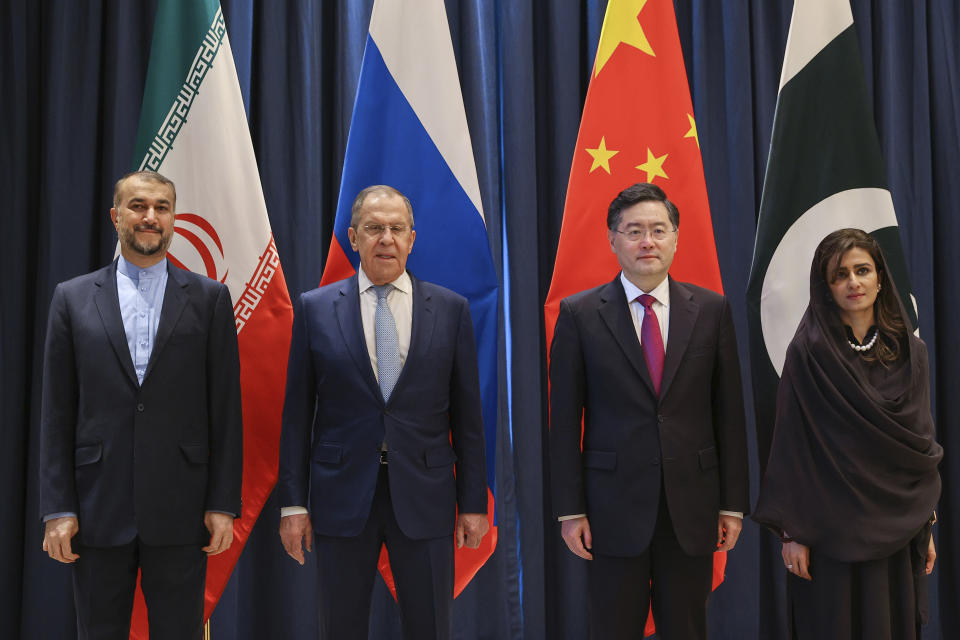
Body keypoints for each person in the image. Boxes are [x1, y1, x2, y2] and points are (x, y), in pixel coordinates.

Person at [277, 185, 489, 640]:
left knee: (429, 626)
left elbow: (468, 418)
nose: (386, 239)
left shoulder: (450, 310)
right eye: (374, 228)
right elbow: (296, 415)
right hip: (341, 494)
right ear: (353, 237)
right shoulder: (316, 309)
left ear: (413, 238)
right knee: (341, 626)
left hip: (426, 492)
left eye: (396, 229)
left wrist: (472, 502)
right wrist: (294, 504)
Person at [39, 170, 243, 640]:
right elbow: (56, 413)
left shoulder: (210, 300)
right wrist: (57, 508)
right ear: (116, 216)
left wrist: (222, 503)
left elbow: (226, 412)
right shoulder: (71, 299)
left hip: (182, 509)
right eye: (138, 206)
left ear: (174, 219)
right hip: (95, 511)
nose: (150, 217)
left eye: (162, 208)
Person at [549, 182, 749, 639]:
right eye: (634, 230)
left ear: (676, 238)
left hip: (693, 506)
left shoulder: (712, 310)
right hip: (610, 509)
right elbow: (562, 422)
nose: (647, 242)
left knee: (688, 628)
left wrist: (733, 504)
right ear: (612, 239)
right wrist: (570, 510)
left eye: (659, 230)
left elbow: (729, 415)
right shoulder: (579, 315)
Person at [753, 228, 942, 639]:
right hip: (827, 529)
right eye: (840, 274)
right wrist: (793, 532)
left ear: (879, 279)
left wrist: (924, 525)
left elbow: (920, 445)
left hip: (896, 526)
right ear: (826, 285)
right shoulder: (807, 353)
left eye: (862, 270)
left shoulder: (913, 353)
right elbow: (790, 446)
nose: (853, 282)